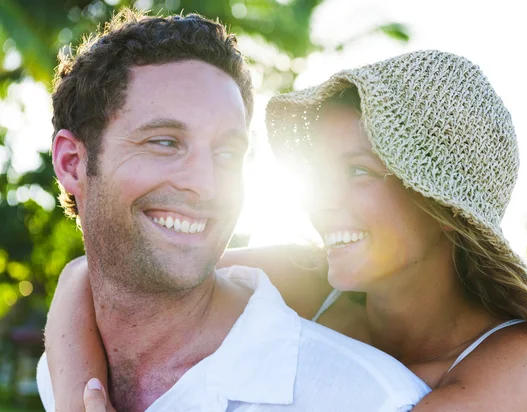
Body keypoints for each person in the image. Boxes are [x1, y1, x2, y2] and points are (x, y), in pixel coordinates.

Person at [44, 46, 527, 411]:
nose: (323, 200)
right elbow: (88, 275)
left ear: (445, 209)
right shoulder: (307, 276)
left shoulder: (522, 359)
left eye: (359, 172)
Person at [36, 9, 434, 412]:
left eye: (227, 152)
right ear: (72, 163)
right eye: (165, 142)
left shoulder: (369, 400)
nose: (206, 184)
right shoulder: (58, 373)